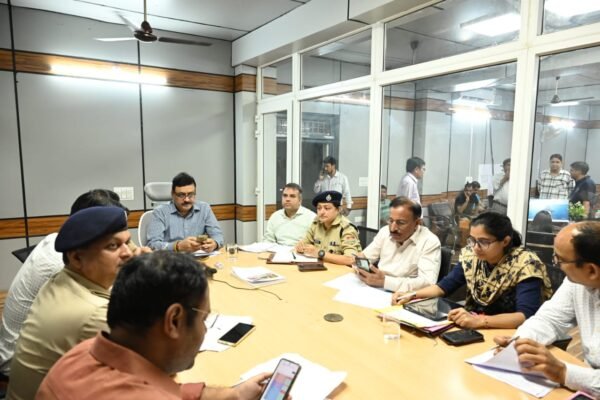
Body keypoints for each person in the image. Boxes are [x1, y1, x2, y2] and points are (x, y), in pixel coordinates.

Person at [36, 251, 275, 399]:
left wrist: (234, 395)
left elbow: (166, 390)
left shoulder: (80, 354)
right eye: (204, 320)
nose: (204, 331)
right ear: (174, 321)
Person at [0, 189, 145, 380]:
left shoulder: (60, 244)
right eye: (112, 244)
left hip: (32, 354)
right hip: (14, 359)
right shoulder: (60, 267)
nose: (126, 251)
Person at [392, 212, 552, 329]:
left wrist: (480, 321)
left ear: (505, 241)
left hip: (507, 333)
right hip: (472, 326)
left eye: (484, 242)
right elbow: (443, 287)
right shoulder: (472, 257)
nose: (475, 247)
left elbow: (524, 316)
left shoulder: (525, 264)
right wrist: (412, 295)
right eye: (472, 240)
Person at [494, 221, 600, 398]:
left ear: (591, 271)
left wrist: (563, 372)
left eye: (560, 260)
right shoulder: (577, 282)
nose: (556, 264)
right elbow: (549, 319)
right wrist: (521, 344)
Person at [356, 196, 441, 292]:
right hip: (376, 288)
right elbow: (365, 257)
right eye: (391, 221)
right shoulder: (385, 232)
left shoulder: (429, 241)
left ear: (417, 223)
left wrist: (385, 282)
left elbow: (428, 283)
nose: (393, 229)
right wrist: (360, 263)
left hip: (405, 294)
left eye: (400, 223)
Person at [147, 172, 224, 253]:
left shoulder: (204, 208)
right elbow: (152, 245)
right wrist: (178, 246)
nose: (187, 200)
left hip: (199, 257)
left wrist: (214, 243)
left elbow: (218, 235)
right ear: (173, 194)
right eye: (181, 195)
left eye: (191, 194)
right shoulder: (160, 212)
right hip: (171, 258)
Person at [295, 190, 361, 265]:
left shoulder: (346, 228)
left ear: (338, 210)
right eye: (319, 208)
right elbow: (304, 244)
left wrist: (319, 253)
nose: (322, 212)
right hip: (322, 266)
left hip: (341, 269)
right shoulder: (316, 223)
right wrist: (300, 247)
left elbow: (350, 259)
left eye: (327, 208)